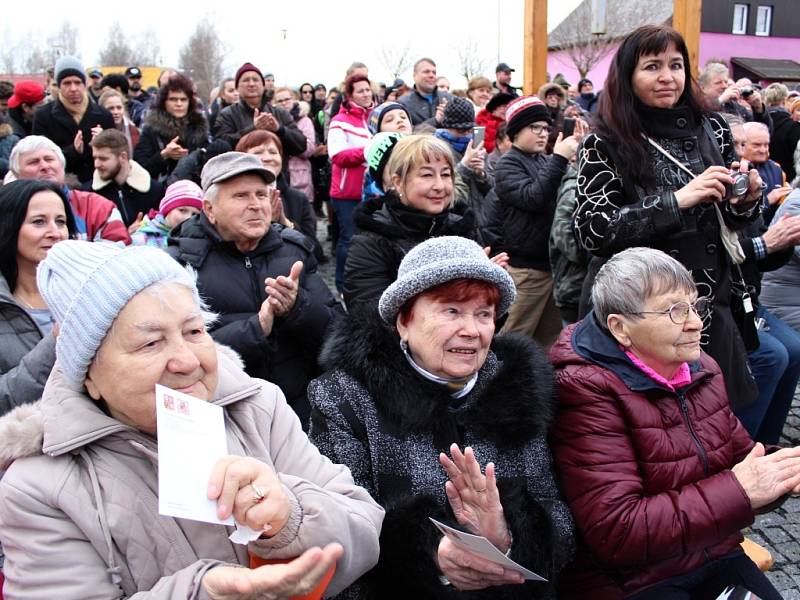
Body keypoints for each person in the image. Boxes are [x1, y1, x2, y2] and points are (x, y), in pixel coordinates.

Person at [0, 239, 384, 598]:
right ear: (89, 375)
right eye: (150, 343)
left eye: (195, 330)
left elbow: (364, 532)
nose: (187, 361)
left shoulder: (256, 406)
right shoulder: (38, 486)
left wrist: (290, 516)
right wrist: (207, 592)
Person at [309, 235, 575, 598]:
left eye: (484, 314)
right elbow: (336, 534)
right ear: (404, 321)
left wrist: (508, 536)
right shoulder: (344, 398)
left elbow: (559, 521)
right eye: (451, 310)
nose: (471, 330)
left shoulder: (518, 390)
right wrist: (431, 558)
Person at [549, 247, 797, 600]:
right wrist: (740, 490)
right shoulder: (584, 389)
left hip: (709, 551)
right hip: (632, 581)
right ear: (620, 328)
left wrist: (785, 470)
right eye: (674, 311)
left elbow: (743, 459)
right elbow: (617, 533)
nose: (695, 321)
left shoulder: (700, 369)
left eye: (695, 306)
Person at [574, 24, 764, 412]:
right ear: (628, 76)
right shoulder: (604, 140)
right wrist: (674, 202)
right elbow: (592, 231)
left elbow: (725, 217)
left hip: (708, 305)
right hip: (641, 313)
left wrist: (744, 201)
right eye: (652, 66)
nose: (667, 77)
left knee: (717, 417)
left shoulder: (712, 128)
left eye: (676, 65)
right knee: (655, 424)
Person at [167, 152, 339, 426]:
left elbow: (338, 334)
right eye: (241, 196)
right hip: (225, 415)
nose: (256, 205)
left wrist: (298, 307)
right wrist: (255, 329)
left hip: (301, 412)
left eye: (261, 194)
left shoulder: (294, 250)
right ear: (209, 209)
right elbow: (177, 355)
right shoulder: (179, 265)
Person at [344, 134, 480, 313]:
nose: (440, 185)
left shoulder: (463, 228)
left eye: (446, 174)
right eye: (427, 175)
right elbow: (372, 314)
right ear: (398, 182)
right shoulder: (371, 241)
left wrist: (488, 284)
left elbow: (489, 314)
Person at [494, 95, 585, 348]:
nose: (542, 133)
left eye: (546, 128)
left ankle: (541, 387)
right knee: (514, 341)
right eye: (534, 127)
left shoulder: (544, 161)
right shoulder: (507, 165)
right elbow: (534, 197)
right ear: (515, 132)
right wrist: (559, 158)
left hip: (552, 269)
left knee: (549, 343)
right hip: (526, 272)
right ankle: (496, 386)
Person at [0, 179, 75, 413]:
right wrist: (54, 343)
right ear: (9, 226)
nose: (55, 233)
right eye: (39, 222)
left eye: (61, 222)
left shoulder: (86, 292)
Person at [8, 136, 130, 244]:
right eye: (33, 162)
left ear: (62, 167)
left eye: (49, 159)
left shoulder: (98, 207)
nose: (45, 166)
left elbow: (116, 259)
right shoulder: (6, 211)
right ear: (17, 175)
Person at [32, 56, 115, 184]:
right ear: (59, 85)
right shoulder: (43, 115)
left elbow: (115, 154)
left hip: (99, 183)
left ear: (85, 84)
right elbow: (40, 158)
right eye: (67, 83)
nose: (73, 88)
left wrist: (103, 142)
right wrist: (73, 151)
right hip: (60, 184)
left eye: (77, 82)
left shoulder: (103, 115)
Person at [328, 73, 374, 295]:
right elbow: (337, 155)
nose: (366, 94)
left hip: (372, 191)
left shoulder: (375, 118)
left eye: (368, 89)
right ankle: (342, 283)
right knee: (349, 239)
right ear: (350, 95)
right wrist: (369, 150)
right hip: (347, 193)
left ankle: (365, 282)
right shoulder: (339, 121)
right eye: (360, 91)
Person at [235, 130, 318, 246]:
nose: (267, 158)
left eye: (273, 152)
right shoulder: (232, 198)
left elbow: (314, 249)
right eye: (258, 152)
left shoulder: (298, 199)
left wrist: (285, 223)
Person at [213, 63, 306, 157]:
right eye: (246, 80)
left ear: (263, 85)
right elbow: (221, 148)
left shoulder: (280, 112)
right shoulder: (227, 114)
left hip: (275, 170)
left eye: (255, 80)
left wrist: (279, 129)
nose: (251, 84)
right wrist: (253, 128)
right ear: (237, 87)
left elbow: (301, 146)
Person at [134, 73, 210, 182]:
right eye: (173, 99)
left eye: (183, 100)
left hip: (194, 188)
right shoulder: (151, 128)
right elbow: (140, 170)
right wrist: (164, 155)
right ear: (164, 102)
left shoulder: (199, 126)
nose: (179, 104)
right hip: (161, 190)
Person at [89, 128, 164, 229]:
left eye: (103, 159)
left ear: (123, 157)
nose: (96, 164)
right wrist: (125, 236)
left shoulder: (155, 191)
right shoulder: (89, 194)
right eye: (95, 158)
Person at [272, 87, 316, 202]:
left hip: (299, 177)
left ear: (294, 99)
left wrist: (291, 142)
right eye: (280, 101)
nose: (284, 103)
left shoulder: (304, 121)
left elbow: (309, 149)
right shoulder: (272, 122)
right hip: (278, 174)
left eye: (287, 99)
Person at [131, 179, 202, 248]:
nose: (188, 217)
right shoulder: (142, 239)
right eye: (182, 210)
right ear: (167, 211)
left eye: (195, 214)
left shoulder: (199, 241)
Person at [698, 63, 771, 128]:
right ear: (703, 88)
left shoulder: (733, 106)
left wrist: (759, 109)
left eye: (726, 82)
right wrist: (720, 100)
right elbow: (701, 121)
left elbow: (762, 132)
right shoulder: (696, 105)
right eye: (718, 82)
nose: (724, 86)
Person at [399, 58, 453, 128]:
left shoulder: (450, 98)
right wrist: (435, 120)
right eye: (426, 72)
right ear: (414, 76)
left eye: (434, 72)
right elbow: (406, 132)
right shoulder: (403, 104)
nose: (431, 75)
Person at [764, 83, 800, 182]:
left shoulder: (756, 122)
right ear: (785, 100)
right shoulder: (793, 126)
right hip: (789, 180)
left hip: (763, 178)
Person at [98, 89, 140, 155]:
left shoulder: (133, 130)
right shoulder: (96, 131)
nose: (116, 112)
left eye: (119, 108)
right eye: (111, 108)